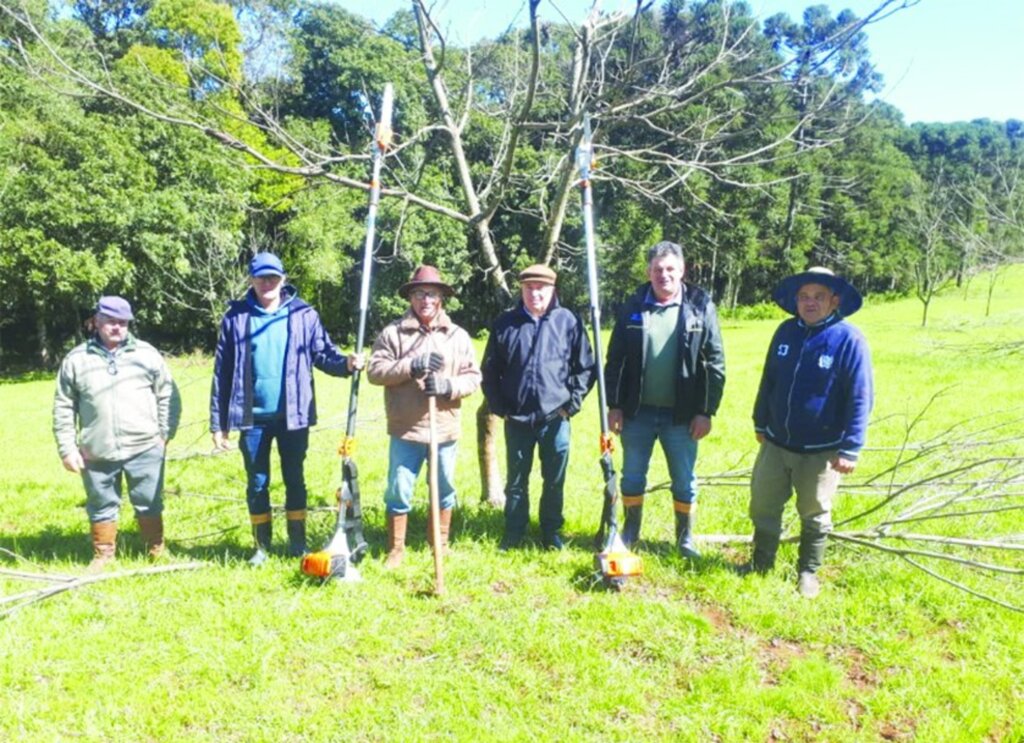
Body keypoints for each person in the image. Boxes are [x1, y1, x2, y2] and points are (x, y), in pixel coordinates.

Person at [210, 252, 364, 566]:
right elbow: (222, 372)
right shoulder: (236, 317)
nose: (268, 283)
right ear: (251, 279)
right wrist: (218, 422)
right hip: (251, 418)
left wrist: (346, 364)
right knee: (257, 481)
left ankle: (297, 543)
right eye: (261, 277)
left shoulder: (303, 314)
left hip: (293, 415)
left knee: (295, 477)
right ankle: (261, 547)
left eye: (273, 277)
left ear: (283, 279)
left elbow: (324, 354)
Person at [745, 266, 873, 598]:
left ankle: (808, 573)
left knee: (815, 511)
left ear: (834, 301)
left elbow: (861, 396)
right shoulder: (785, 332)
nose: (810, 303)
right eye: (804, 296)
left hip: (822, 449)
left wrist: (850, 448)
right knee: (763, 503)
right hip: (776, 441)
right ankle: (761, 562)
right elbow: (768, 380)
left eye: (818, 296)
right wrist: (761, 421)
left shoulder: (849, 340)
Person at [605, 241, 726, 558]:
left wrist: (706, 411)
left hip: (683, 416)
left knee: (684, 480)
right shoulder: (633, 305)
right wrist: (614, 405)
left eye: (671, 268)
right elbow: (615, 358)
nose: (664, 275)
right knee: (632, 476)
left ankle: (685, 539)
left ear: (682, 271)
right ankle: (630, 532)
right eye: (658, 269)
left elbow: (715, 362)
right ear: (649, 272)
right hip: (636, 413)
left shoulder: (700, 305)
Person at [53, 296, 180, 570]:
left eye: (122, 322)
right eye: (110, 321)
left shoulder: (147, 355)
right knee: (100, 504)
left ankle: (156, 549)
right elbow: (63, 406)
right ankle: (103, 555)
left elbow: (168, 394)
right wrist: (67, 449)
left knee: (149, 501)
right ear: (96, 322)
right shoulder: (76, 359)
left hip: (145, 446)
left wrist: (164, 435)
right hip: (96, 450)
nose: (116, 327)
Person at [367, 265, 481, 568]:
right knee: (399, 490)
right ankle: (396, 548)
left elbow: (473, 378)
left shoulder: (457, 336)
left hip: (444, 429)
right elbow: (375, 372)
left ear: (442, 297)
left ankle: (439, 545)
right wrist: (411, 366)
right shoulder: (393, 333)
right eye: (419, 294)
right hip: (407, 429)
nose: (425, 300)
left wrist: (447, 386)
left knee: (444, 489)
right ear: (410, 298)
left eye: (431, 293)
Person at [481, 264, 595, 550]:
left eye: (541, 288)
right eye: (529, 288)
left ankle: (551, 531)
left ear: (552, 289)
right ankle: (514, 531)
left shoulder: (568, 321)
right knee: (516, 482)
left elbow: (586, 367)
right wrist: (499, 408)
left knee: (554, 480)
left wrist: (572, 404)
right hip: (516, 418)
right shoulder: (505, 323)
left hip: (555, 417)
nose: (535, 293)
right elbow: (490, 371)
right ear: (521, 289)